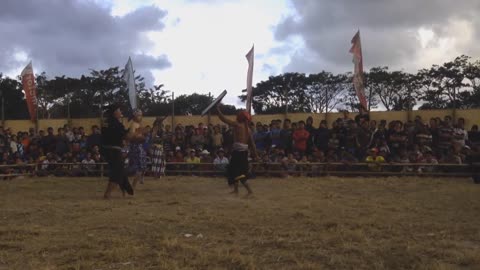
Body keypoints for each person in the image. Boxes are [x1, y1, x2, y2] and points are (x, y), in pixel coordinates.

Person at [216, 105, 258, 195]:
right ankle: (236, 190)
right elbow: (252, 145)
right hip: (243, 152)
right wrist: (256, 155)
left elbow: (223, 119)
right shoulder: (249, 130)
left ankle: (249, 191)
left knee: (237, 172)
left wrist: (218, 110)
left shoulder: (237, 125)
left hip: (238, 153)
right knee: (234, 170)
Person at [101, 104, 133, 199]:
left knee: (120, 170)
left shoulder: (107, 122)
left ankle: (125, 190)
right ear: (115, 112)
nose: (121, 112)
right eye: (119, 110)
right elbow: (126, 136)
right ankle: (108, 194)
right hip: (114, 150)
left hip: (107, 150)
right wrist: (133, 127)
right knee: (118, 172)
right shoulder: (116, 124)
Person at [127, 109, 147, 189]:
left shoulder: (137, 124)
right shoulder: (134, 124)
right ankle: (132, 186)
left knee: (140, 168)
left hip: (138, 147)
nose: (140, 117)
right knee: (138, 168)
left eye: (141, 115)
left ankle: (132, 186)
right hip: (136, 147)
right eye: (139, 115)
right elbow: (132, 136)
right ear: (135, 116)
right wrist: (141, 137)